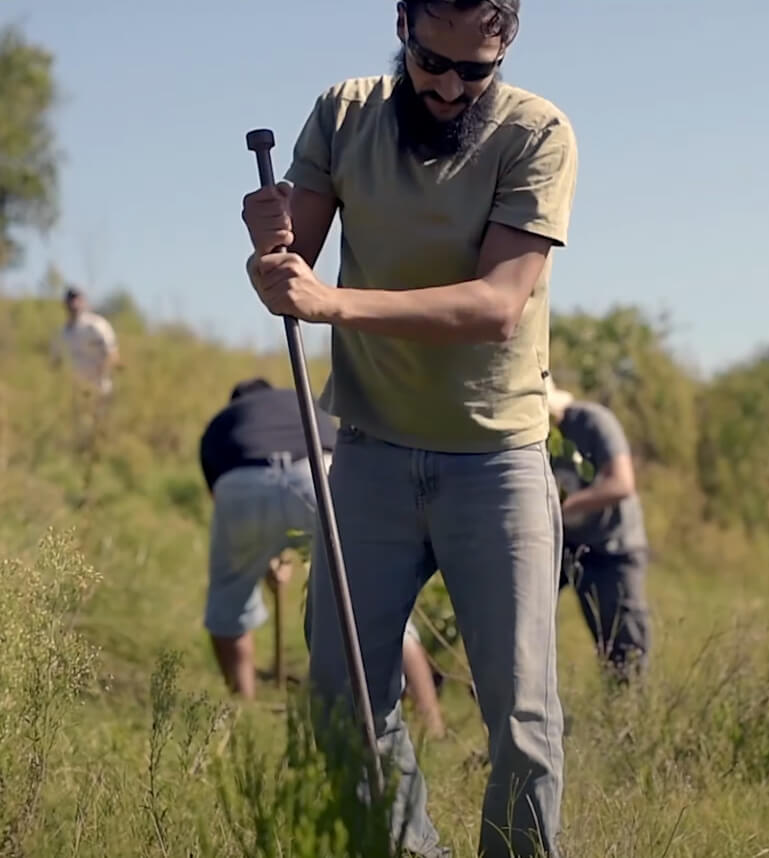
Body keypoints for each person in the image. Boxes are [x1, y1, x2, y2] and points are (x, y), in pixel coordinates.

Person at [239, 1, 578, 854]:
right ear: (401, 27)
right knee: (345, 696)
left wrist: (332, 304)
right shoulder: (344, 113)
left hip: (494, 460)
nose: (451, 88)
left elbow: (496, 306)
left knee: (521, 714)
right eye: (432, 63)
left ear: (505, 50)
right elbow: (292, 271)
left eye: (476, 71)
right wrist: (266, 250)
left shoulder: (535, 133)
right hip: (369, 454)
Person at [200, 378, 446, 737]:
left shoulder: (223, 423)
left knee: (229, 607)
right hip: (314, 472)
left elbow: (230, 507)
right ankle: (431, 723)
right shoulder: (297, 401)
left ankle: (243, 711)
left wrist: (263, 558)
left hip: (242, 485)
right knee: (372, 602)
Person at [546, 376, 652, 684]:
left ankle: (626, 707)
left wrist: (563, 506)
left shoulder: (593, 422)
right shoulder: (534, 437)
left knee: (623, 649)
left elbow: (621, 483)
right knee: (521, 615)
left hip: (613, 547)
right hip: (568, 545)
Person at [50, 286, 120, 448]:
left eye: (77, 299)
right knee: (78, 435)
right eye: (70, 300)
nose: (74, 304)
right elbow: (55, 364)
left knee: (100, 432)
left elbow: (113, 354)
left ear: (84, 302)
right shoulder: (62, 333)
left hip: (98, 390)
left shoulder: (97, 325)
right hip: (74, 394)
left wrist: (99, 378)